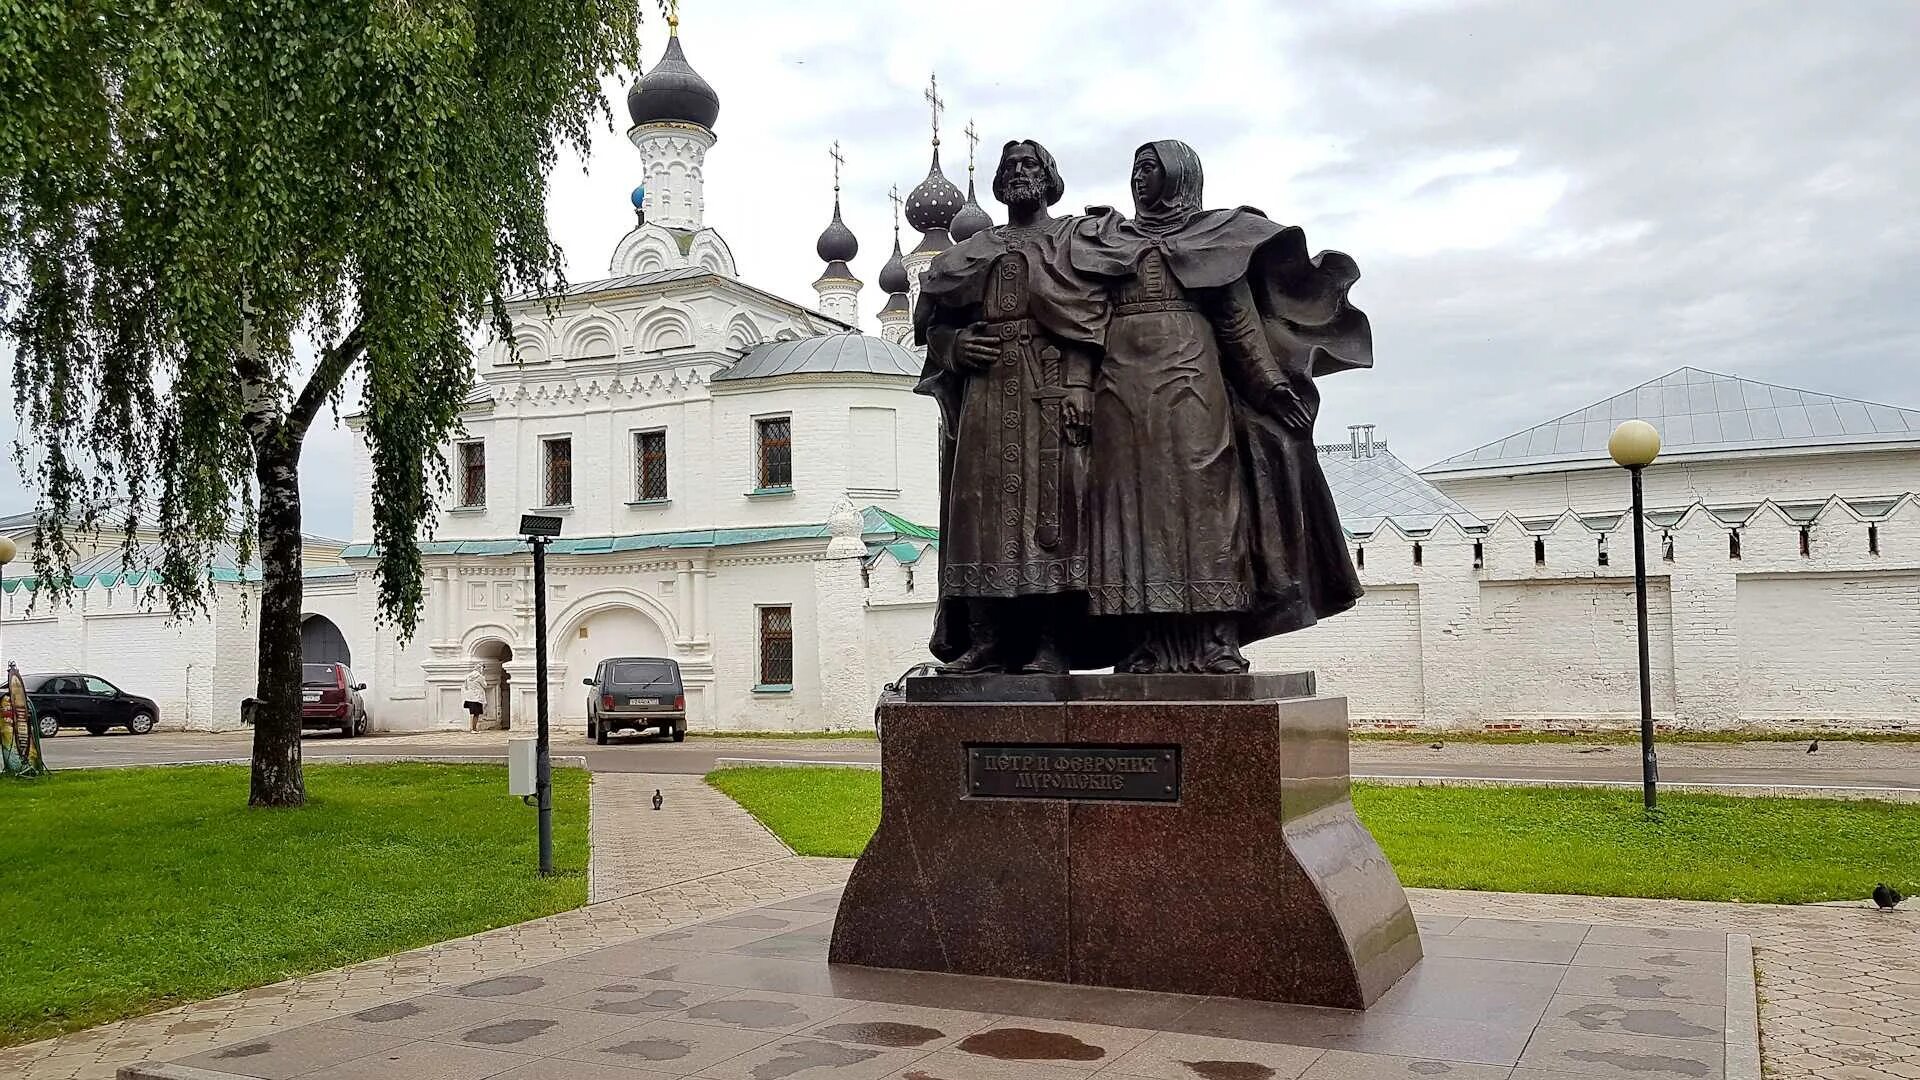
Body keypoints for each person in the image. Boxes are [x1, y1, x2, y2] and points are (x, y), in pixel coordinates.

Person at [1071, 139, 1370, 672]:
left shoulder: (1214, 239)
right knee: (1128, 514)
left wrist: (1271, 388)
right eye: (1136, 169)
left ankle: (1215, 639)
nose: (1140, 179)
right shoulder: (1107, 242)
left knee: (1206, 509)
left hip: (1191, 390)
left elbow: (1238, 323)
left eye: (1151, 169)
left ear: (1181, 176)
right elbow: (1079, 322)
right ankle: (1143, 642)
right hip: (1119, 394)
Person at [914, 140, 1110, 673]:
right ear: (999, 184)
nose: (1020, 174)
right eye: (1011, 168)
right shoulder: (974, 248)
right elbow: (934, 321)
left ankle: (1051, 644)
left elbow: (1090, 319)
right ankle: (986, 641)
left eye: (1031, 166)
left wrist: (1079, 385)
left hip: (1047, 386)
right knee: (980, 511)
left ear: (1050, 179)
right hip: (986, 390)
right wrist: (954, 347)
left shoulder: (1072, 239)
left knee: (1054, 510)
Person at [462, 666, 487, 731]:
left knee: (471, 713)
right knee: (476, 714)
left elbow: (466, 686)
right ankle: (474, 728)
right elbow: (485, 685)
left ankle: (471, 728)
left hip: (470, 697)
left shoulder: (468, 676)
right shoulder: (480, 676)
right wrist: (483, 677)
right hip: (477, 697)